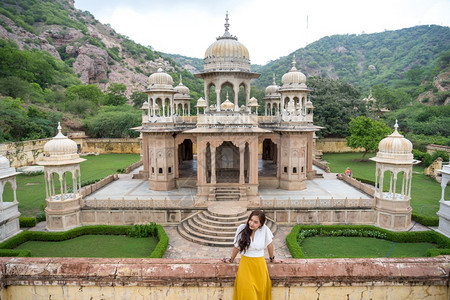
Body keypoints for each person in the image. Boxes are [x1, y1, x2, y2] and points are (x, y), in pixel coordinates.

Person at [223, 210, 276, 300]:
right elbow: (236, 247)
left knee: (260, 294)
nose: (251, 223)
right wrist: (231, 259)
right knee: (247, 294)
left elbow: (270, 245)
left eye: (255, 222)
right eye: (250, 220)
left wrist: (272, 259)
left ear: (260, 224)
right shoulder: (242, 228)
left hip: (260, 266)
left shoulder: (264, 230)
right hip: (246, 265)